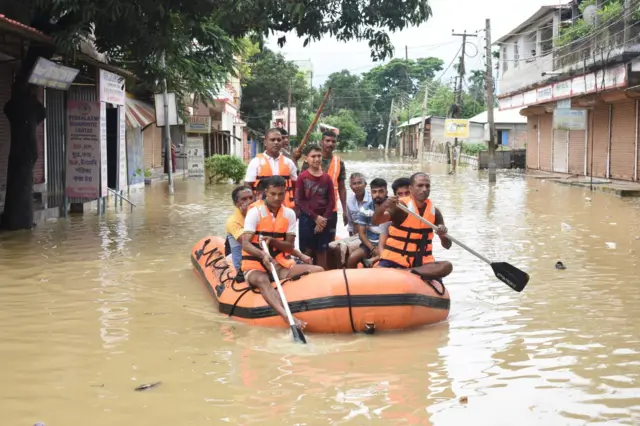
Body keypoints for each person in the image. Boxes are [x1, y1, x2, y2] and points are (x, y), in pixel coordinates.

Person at [241, 176, 323, 329]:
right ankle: (287, 317)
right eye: (273, 194)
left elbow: (289, 247)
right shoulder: (255, 212)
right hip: (255, 265)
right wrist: (263, 255)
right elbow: (246, 243)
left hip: (280, 264)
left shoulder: (289, 214)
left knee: (318, 270)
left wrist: (273, 242)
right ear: (266, 192)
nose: (277, 198)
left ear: (285, 192)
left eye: (280, 194)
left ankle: (313, 308)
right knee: (262, 280)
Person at [372, 172, 453, 287]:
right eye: (420, 185)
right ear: (410, 188)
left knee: (447, 266)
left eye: (427, 186)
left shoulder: (435, 212)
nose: (424, 189)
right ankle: (406, 272)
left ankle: (408, 272)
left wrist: (442, 235)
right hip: (394, 261)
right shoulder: (401, 206)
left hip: (422, 265)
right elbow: (376, 221)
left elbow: (447, 245)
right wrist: (383, 206)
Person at [295, 144, 336, 270]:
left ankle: (322, 277)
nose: (316, 159)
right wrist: (315, 218)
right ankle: (307, 277)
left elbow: (331, 201)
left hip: (324, 220)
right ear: (306, 158)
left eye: (319, 156)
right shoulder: (302, 177)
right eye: (313, 156)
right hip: (307, 219)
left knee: (322, 251)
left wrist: (322, 220)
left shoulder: (326, 178)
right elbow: (299, 201)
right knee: (307, 251)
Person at [301, 131, 347, 236]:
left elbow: (342, 187)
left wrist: (345, 210)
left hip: (331, 209)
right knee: (308, 245)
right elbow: (302, 184)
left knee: (328, 244)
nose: (330, 144)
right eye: (328, 141)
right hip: (311, 209)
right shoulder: (310, 160)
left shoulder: (339, 162)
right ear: (322, 142)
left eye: (333, 141)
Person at [244, 128, 297, 208]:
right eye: (272, 140)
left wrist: (296, 205)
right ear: (265, 142)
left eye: (279, 140)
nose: (276, 142)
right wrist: (252, 204)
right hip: (261, 208)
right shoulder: (255, 162)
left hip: (285, 208)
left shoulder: (289, 163)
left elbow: (295, 186)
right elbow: (248, 185)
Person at [347, 178, 389, 269]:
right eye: (374, 192)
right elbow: (361, 234)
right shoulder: (365, 209)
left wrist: (380, 248)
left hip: (388, 245)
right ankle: (351, 282)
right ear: (371, 193)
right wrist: (373, 248)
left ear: (386, 192)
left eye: (381, 191)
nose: (377, 195)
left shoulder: (392, 208)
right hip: (370, 244)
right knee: (352, 258)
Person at [225, 186, 255, 271]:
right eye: (244, 199)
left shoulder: (260, 214)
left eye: (251, 198)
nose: (249, 202)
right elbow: (248, 243)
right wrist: (250, 215)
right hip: (243, 266)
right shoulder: (232, 221)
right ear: (236, 203)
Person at [378, 177, 411, 253]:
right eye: (400, 194)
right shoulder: (390, 214)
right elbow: (381, 246)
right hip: (394, 257)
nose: (404, 197)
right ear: (395, 196)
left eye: (407, 193)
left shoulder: (422, 212)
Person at [346, 173, 371, 237]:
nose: (357, 186)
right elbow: (350, 224)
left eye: (359, 183)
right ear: (351, 187)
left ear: (365, 184)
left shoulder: (372, 200)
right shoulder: (349, 201)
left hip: (371, 235)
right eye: (354, 184)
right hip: (356, 236)